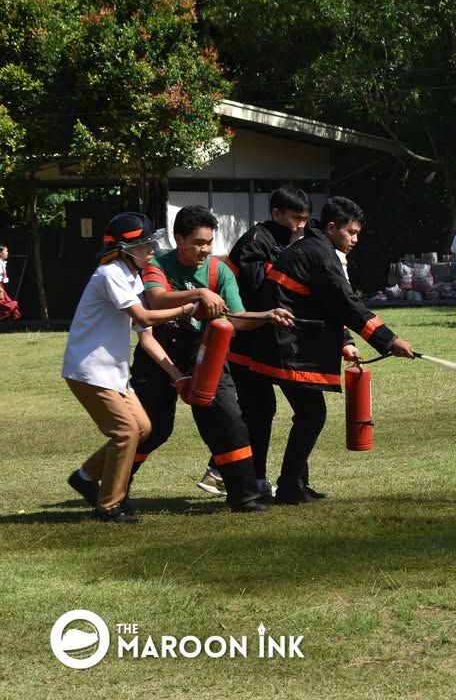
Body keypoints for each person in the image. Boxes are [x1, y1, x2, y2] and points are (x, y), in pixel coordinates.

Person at [126, 205, 294, 513]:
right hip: (158, 355)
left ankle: (243, 496)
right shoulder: (157, 264)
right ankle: (112, 488)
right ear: (179, 239)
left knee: (229, 420)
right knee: (153, 427)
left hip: (205, 352)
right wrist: (200, 294)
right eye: (198, 243)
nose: (205, 250)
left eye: (209, 243)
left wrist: (268, 316)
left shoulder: (221, 271)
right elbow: (156, 299)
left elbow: (238, 319)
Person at [249, 196, 416, 504]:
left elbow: (323, 304)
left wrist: (346, 344)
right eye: (350, 232)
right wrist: (389, 340)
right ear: (331, 227)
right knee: (312, 414)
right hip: (286, 345)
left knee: (308, 413)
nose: (355, 240)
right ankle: (288, 487)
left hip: (281, 342)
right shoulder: (321, 255)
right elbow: (346, 303)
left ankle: (296, 483)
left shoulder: (312, 249)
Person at [63, 213, 203, 522]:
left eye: (152, 242)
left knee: (143, 427)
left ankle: (86, 477)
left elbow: (147, 338)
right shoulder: (109, 273)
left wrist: (177, 375)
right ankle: (110, 506)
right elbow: (143, 318)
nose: (152, 249)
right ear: (125, 249)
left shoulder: (131, 277)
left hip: (112, 372)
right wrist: (187, 307)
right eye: (144, 244)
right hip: (89, 370)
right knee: (126, 432)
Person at [207, 186, 310, 500]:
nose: (301, 225)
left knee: (262, 410)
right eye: (296, 218)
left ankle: (260, 479)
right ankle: (230, 473)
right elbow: (260, 290)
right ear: (276, 213)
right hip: (244, 342)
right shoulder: (257, 241)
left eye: (305, 219)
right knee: (259, 409)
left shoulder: (285, 240)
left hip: (266, 343)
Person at [0, 244, 19, 320]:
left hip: (2, 287)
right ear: (0, 253)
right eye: (6, 251)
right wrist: (0, 290)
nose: (7, 252)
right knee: (5, 306)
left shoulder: (2, 263)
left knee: (7, 307)